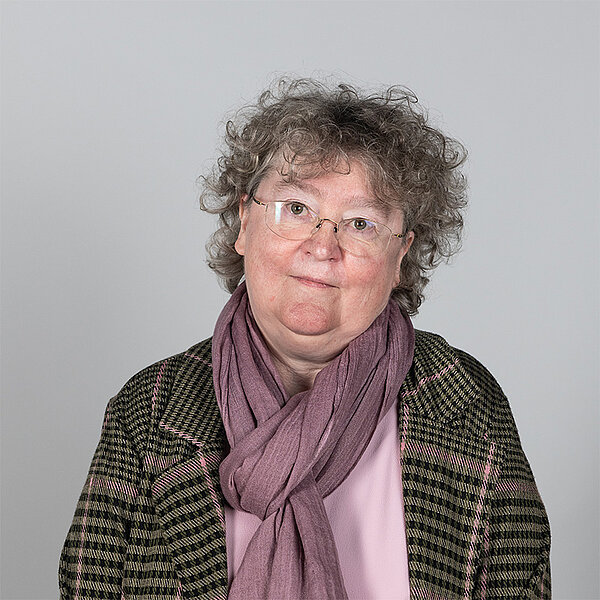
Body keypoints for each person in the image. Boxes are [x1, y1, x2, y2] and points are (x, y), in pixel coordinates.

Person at [59, 78, 551, 599]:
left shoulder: (466, 402)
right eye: (296, 209)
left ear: (400, 256)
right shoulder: (148, 411)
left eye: (360, 223)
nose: (322, 246)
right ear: (244, 222)